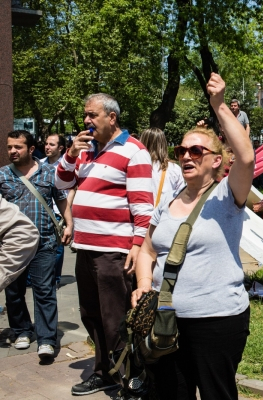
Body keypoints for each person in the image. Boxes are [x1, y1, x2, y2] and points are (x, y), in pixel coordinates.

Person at [131, 73, 254, 399]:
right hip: (167, 323)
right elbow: (146, 250)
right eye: (181, 149)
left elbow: (246, 157)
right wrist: (144, 285)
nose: (186, 155)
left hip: (216, 322)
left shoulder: (228, 196)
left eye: (196, 150)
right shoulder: (168, 203)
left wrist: (219, 105)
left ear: (216, 160)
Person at [55, 93, 154, 396]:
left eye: (92, 115)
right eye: (84, 115)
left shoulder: (133, 151)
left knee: (116, 319)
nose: (86, 121)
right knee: (91, 315)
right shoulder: (85, 152)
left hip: (114, 252)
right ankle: (105, 372)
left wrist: (137, 246)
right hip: (86, 248)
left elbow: (143, 207)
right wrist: (71, 154)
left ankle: (133, 375)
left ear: (111, 117)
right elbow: (60, 183)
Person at [0, 130, 73, 360]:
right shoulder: (2, 175)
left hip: (45, 242)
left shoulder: (50, 172)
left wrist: (69, 224)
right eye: (10, 147)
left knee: (44, 292)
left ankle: (46, 339)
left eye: (17, 147)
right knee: (13, 292)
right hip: (14, 247)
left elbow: (61, 199)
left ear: (31, 149)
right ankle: (21, 330)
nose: (12, 151)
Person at [39, 133, 71, 286]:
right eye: (46, 144)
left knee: (57, 247)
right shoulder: (39, 163)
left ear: (60, 148)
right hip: (43, 211)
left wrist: (66, 214)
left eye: (51, 144)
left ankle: (55, 279)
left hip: (59, 212)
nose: (47, 147)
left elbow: (72, 190)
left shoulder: (66, 165)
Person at [0, 194, 39, 292]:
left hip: (45, 240)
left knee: (43, 289)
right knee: (14, 295)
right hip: (9, 242)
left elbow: (24, 232)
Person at [139, 127, 185, 207]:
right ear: (163, 144)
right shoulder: (174, 169)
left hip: (139, 215)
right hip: (164, 215)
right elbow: (181, 195)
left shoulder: (136, 166)